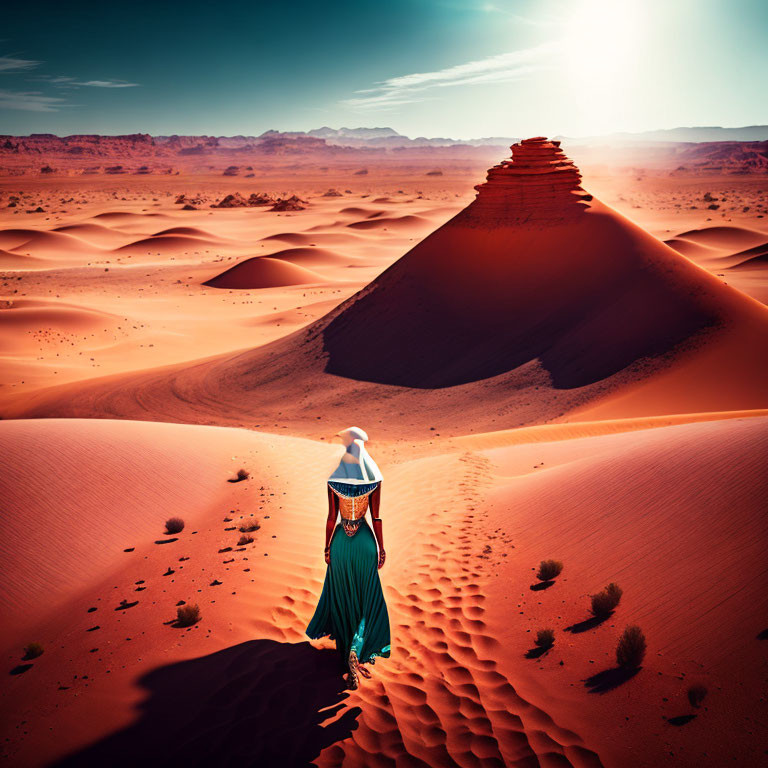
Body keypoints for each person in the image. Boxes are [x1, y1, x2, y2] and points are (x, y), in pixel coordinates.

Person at [306, 427, 391, 688]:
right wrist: (381, 548)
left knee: (343, 595)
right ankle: (358, 648)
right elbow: (375, 518)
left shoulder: (334, 481)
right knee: (368, 598)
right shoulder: (373, 480)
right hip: (365, 543)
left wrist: (327, 548)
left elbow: (332, 518)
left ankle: (346, 655)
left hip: (342, 542)